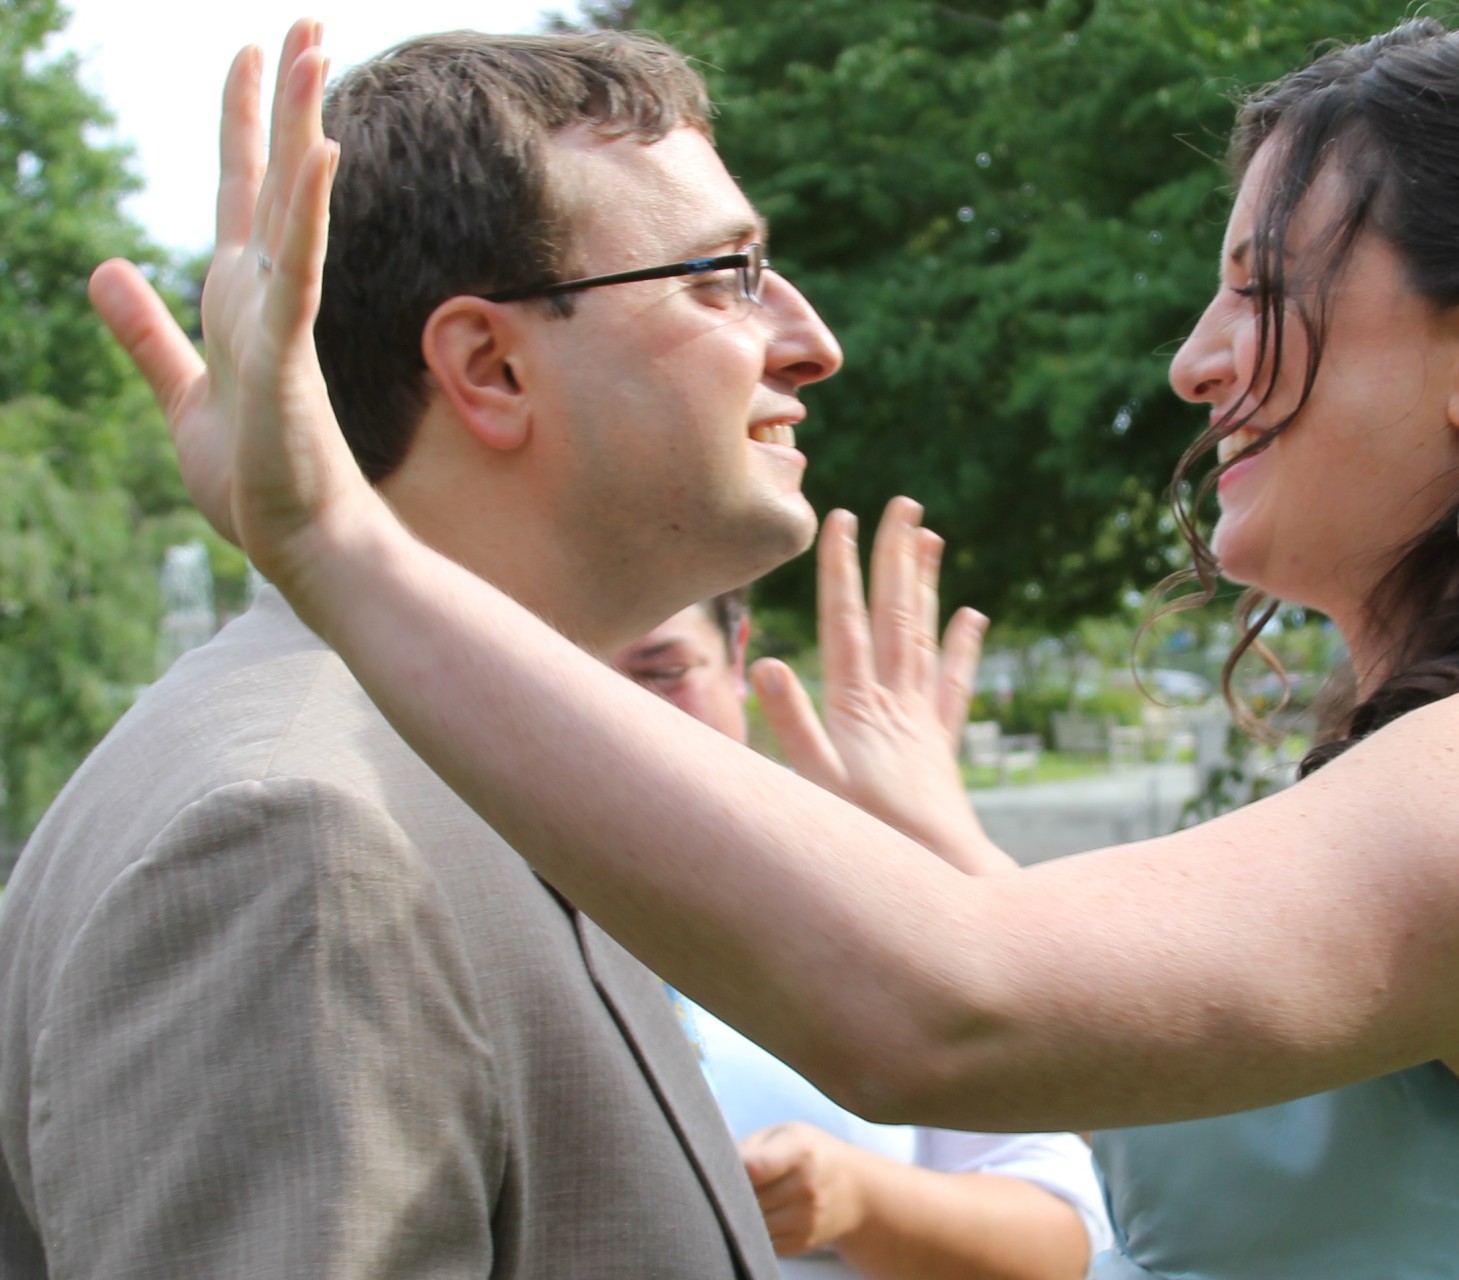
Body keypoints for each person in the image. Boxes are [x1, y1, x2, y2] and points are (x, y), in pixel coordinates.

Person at [110, 17, 1459, 1278]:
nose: (1195, 360)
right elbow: (1118, 1040)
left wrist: (332, 537)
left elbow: (949, 1013)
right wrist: (947, 845)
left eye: (1264, 294)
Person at [0, 24, 845, 1278]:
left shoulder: (469, 762)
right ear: (489, 366)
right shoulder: (305, 839)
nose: (809, 338)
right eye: (724, 274)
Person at [614, 594, 1112, 1279]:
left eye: (663, 672)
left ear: (737, 655)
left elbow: (1064, 1237)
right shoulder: (456, 884)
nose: (607, 709)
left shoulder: (855, 870)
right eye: (567, 665)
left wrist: (861, 1201)